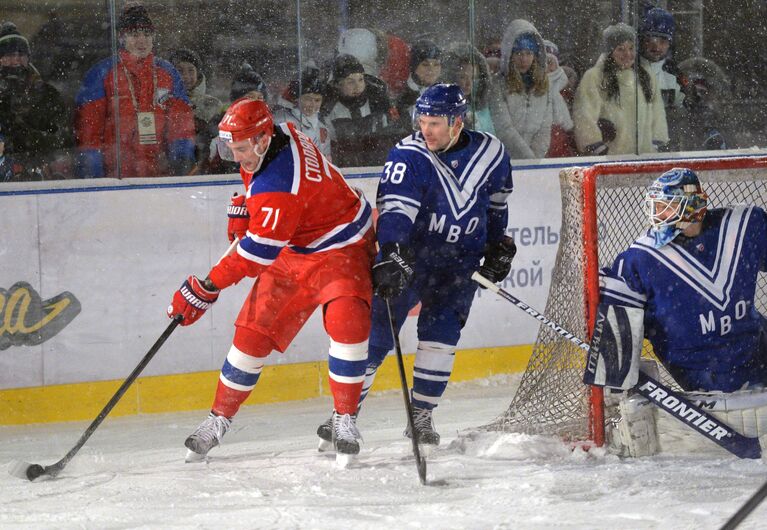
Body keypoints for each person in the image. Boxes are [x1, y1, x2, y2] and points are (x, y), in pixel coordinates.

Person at [167, 98, 375, 465]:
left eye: (243, 147)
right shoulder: (282, 132)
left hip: (342, 246)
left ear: (263, 139)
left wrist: (207, 288)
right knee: (251, 334)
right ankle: (218, 419)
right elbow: (266, 193)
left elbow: (256, 254)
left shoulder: (280, 184)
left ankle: (345, 417)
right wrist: (247, 203)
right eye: (232, 147)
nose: (237, 155)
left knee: (348, 322)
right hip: (296, 247)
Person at [315, 83, 515, 451]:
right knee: (374, 339)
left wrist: (497, 246)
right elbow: (395, 212)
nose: (427, 130)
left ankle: (421, 414)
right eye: (422, 121)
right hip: (410, 263)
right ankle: (345, 415)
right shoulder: (408, 155)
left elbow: (496, 207)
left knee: (441, 340)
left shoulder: (492, 152)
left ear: (458, 122)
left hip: (458, 267)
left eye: (436, 123)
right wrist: (391, 252)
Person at [594, 168, 767, 456]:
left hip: (757, 347)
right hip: (708, 375)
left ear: (694, 207)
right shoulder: (636, 261)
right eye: (656, 207)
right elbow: (614, 358)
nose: (658, 215)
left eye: (667, 206)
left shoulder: (746, 225)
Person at [74, 4, 195, 178]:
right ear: (121, 37)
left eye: (147, 34)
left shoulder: (167, 73)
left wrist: (182, 161)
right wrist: (94, 178)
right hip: (116, 178)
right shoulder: (102, 73)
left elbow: (181, 124)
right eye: (134, 34)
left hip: (160, 177)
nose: (142, 41)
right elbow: (89, 133)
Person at [573, 23, 668, 156]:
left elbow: (657, 113)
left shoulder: (645, 76)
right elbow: (584, 116)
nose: (627, 54)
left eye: (631, 48)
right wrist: (598, 148)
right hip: (611, 161)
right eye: (620, 49)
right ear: (610, 52)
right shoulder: (595, 77)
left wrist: (656, 144)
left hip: (645, 159)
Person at [0, 21, 72, 179]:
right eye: (9, 55)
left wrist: (33, 136)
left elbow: (59, 134)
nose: (16, 60)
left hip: (38, 165)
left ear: (28, 58)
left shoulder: (45, 92)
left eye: (21, 54)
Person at [487, 19, 553, 159]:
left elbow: (545, 129)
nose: (524, 59)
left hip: (536, 162)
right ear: (510, 55)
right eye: (519, 53)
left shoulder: (542, 85)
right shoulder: (498, 85)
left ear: (535, 56)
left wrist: (535, 158)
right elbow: (504, 128)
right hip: (506, 159)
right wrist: (528, 158)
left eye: (529, 53)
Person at [321, 53, 397, 167]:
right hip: (346, 168)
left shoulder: (378, 103)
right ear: (337, 84)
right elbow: (329, 146)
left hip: (379, 166)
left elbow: (391, 137)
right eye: (350, 81)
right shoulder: (330, 110)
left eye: (361, 80)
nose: (357, 86)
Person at [169, 48, 222, 174]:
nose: (186, 76)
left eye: (191, 70)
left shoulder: (213, 105)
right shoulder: (164, 104)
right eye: (179, 71)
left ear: (198, 73)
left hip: (206, 173)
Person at [272, 68, 331, 160]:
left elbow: (326, 159)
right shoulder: (281, 120)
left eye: (317, 100)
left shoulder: (323, 128)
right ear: (297, 99)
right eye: (307, 99)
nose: (312, 104)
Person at [441, 42, 495, 134]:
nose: (469, 83)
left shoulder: (481, 106)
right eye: (462, 77)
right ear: (451, 77)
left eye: (474, 78)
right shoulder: (443, 108)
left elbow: (491, 138)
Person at [394, 39, 442, 130]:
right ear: (414, 67)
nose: (431, 70)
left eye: (436, 64)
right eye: (425, 65)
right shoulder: (400, 94)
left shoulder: (446, 92)